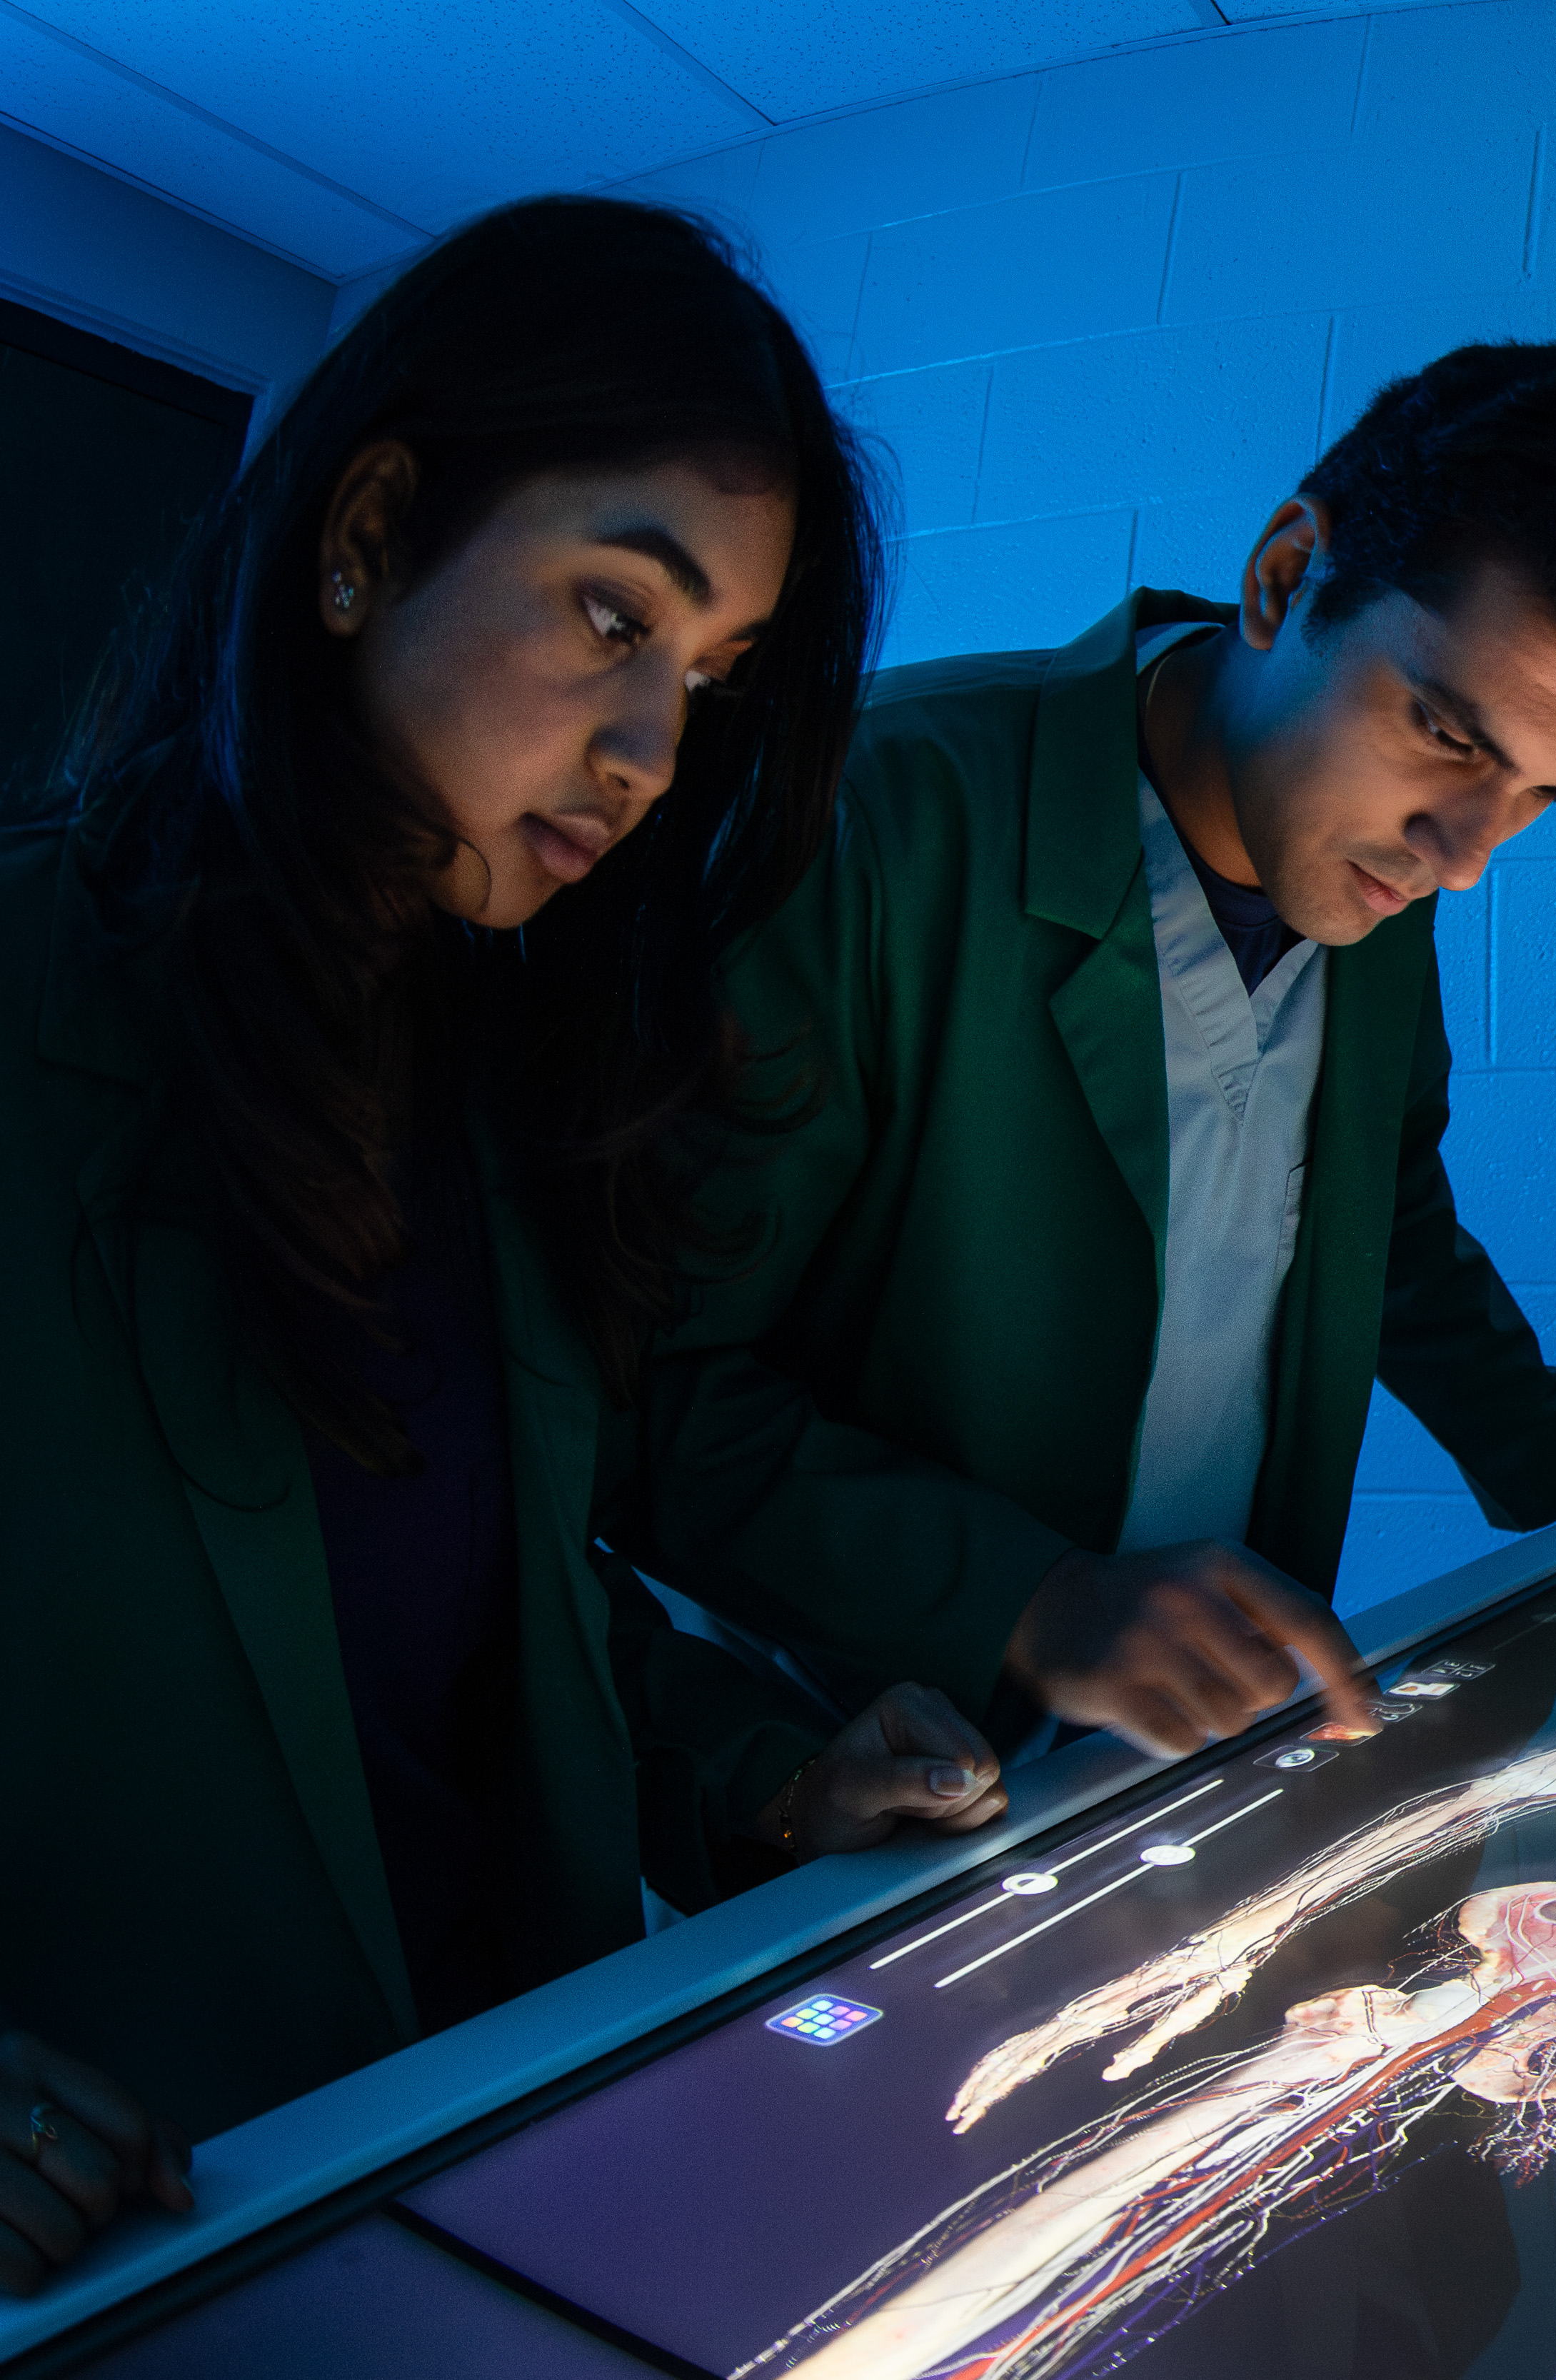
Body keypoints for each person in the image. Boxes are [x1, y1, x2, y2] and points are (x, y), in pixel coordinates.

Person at [1, 199, 1010, 2296]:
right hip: (136, 2260)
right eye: (610, 617)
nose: (648, 757)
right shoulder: (32, 1009)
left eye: (709, 681)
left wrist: (767, 1773)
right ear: (366, 531)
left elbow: (490, 1609)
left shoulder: (503, 1063)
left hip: (496, 2173)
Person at [626, 341, 1556, 1760]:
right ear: (1285, 576)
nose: (1467, 856)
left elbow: (1379, 1220)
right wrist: (1031, 1598)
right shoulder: (867, 821)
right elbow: (646, 1387)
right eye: (1445, 733)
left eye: (1544, 799)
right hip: (850, 1760)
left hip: (1187, 1745)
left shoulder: (1372, 880)